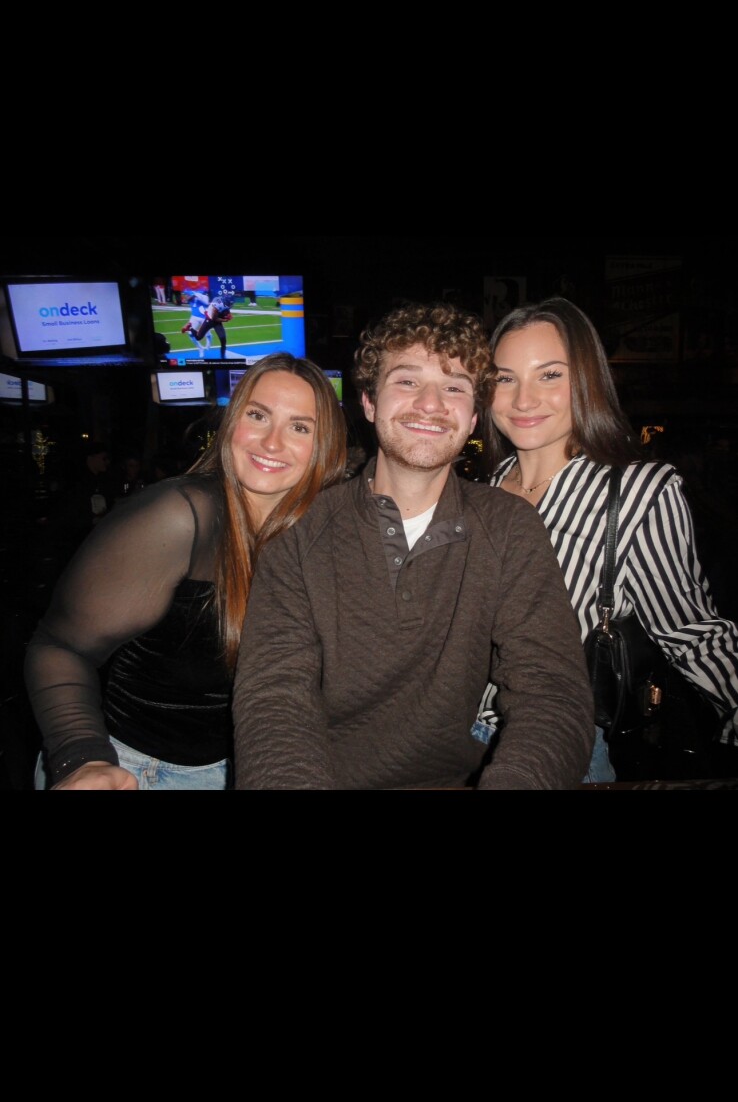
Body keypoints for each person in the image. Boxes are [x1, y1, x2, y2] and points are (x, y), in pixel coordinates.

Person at [233, 303, 595, 790]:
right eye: (407, 381)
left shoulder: (509, 527)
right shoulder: (299, 530)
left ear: (473, 417)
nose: (430, 404)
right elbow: (275, 702)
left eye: (454, 387)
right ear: (368, 402)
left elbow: (552, 692)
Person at [24, 356, 347, 790]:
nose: (272, 442)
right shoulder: (180, 516)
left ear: (324, 445)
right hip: (137, 770)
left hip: (249, 768)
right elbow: (60, 646)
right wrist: (82, 758)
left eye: (300, 427)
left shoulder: (320, 534)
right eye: (257, 415)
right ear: (232, 423)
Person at [476, 296, 738, 781]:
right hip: (462, 742)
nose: (523, 400)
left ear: (588, 380)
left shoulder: (637, 492)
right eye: (505, 378)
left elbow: (694, 635)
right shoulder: (483, 491)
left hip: (564, 749)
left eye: (549, 375)